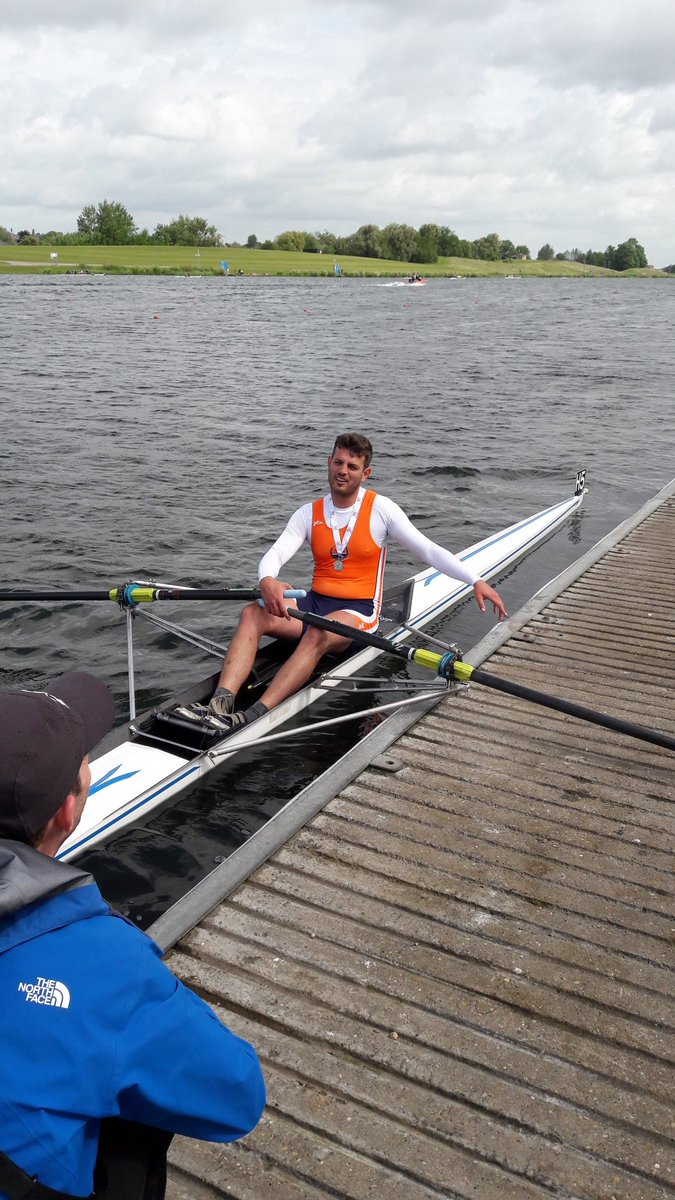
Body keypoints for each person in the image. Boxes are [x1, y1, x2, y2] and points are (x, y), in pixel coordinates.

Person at [0, 672, 265, 1200]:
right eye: (84, 757)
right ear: (66, 812)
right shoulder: (103, 965)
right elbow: (237, 1095)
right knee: (132, 1127)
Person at [207, 432, 506, 729]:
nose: (343, 471)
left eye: (352, 466)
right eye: (338, 463)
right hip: (315, 603)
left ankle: (253, 717)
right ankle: (221, 702)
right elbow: (276, 552)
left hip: (359, 612)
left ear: (366, 473)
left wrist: (475, 580)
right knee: (252, 613)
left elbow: (428, 550)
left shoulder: (382, 510)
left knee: (318, 633)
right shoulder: (309, 513)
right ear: (329, 463)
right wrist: (267, 580)